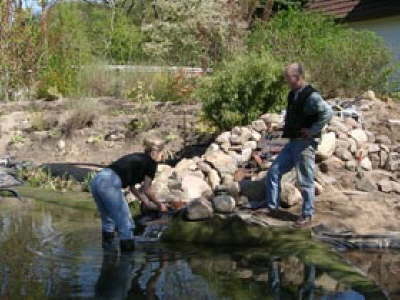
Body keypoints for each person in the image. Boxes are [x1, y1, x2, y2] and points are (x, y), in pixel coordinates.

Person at [264, 63, 333, 227]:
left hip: (305, 144)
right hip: (292, 142)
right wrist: (281, 126)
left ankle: (307, 214)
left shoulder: (311, 95)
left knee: (305, 179)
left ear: (296, 77)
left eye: (287, 77)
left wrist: (312, 130)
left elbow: (328, 112)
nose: (286, 80)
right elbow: (294, 115)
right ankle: (272, 207)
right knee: (274, 171)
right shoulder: (293, 94)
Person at [90, 136, 167, 252]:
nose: (163, 156)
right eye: (163, 153)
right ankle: (127, 260)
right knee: (126, 224)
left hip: (97, 180)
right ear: (157, 152)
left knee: (108, 221)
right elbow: (147, 189)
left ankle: (108, 256)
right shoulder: (151, 163)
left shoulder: (138, 158)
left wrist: (146, 202)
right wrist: (160, 205)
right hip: (110, 183)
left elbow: (132, 188)